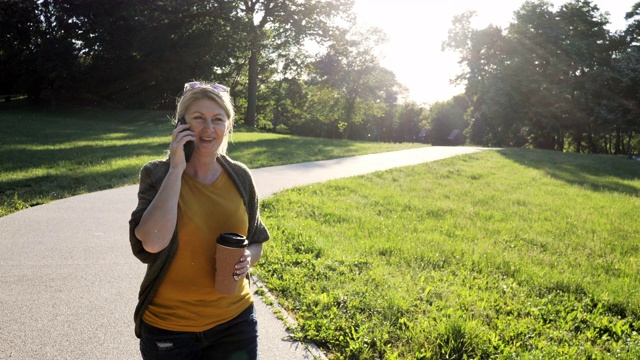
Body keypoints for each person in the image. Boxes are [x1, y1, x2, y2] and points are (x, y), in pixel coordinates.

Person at [129, 81, 270, 359]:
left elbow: (256, 242)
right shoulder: (157, 174)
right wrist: (177, 168)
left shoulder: (240, 177)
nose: (208, 129)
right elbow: (153, 243)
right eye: (198, 119)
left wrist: (247, 257)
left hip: (235, 322)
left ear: (228, 126)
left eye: (217, 119)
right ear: (181, 124)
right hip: (169, 330)